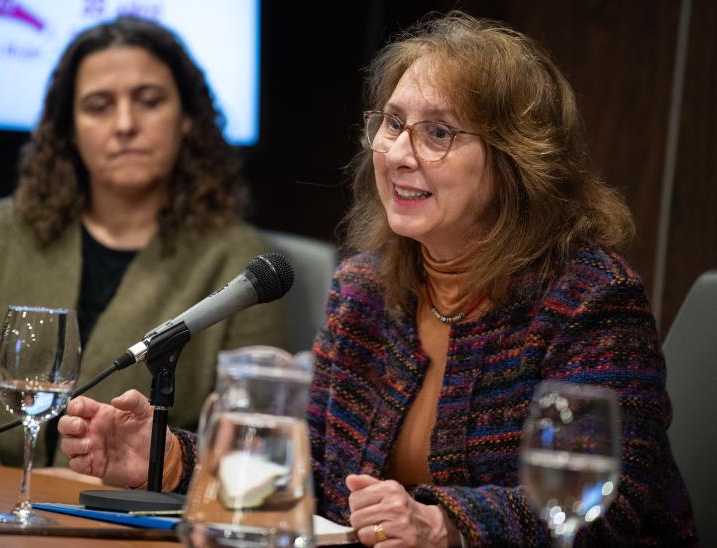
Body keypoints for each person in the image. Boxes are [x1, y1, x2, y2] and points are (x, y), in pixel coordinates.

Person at [57, 12, 698, 546]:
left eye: (438, 132)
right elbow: (313, 465)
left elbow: (610, 507)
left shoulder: (591, 300)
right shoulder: (366, 290)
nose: (396, 154)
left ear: (515, 161)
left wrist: (444, 524)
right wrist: (171, 458)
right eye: (392, 123)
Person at [0, 16, 287, 469]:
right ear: (69, 129)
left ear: (187, 121)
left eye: (149, 101)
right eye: (99, 105)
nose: (124, 124)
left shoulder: (240, 265)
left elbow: (255, 435)